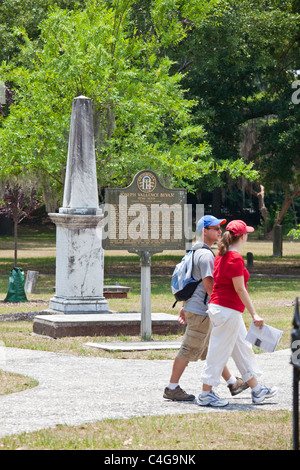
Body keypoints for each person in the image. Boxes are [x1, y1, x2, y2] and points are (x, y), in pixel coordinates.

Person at [163, 215, 249, 402]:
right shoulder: (205, 255)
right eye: (216, 228)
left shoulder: (195, 251)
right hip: (202, 311)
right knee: (188, 348)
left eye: (220, 228)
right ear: (205, 231)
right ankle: (172, 387)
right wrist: (220, 307)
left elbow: (193, 283)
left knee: (214, 348)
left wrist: (186, 306)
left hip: (196, 308)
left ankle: (233, 383)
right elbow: (210, 287)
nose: (220, 232)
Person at [198, 219, 278, 407]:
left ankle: (257, 390)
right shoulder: (233, 258)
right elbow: (240, 289)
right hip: (227, 311)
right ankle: (205, 394)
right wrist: (254, 314)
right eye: (247, 233)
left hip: (225, 310)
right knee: (218, 353)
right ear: (242, 236)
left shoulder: (223, 255)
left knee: (243, 349)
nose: (247, 235)